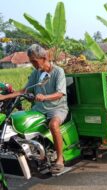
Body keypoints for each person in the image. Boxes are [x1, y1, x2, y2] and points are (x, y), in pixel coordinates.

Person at [0, 44, 68, 174]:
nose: (33, 64)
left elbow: (60, 93)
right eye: (31, 61)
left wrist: (45, 96)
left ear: (44, 57)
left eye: (34, 61)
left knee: (53, 124)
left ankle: (60, 159)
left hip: (57, 108)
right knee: (19, 122)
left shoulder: (58, 71)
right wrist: (4, 97)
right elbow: (25, 90)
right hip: (38, 108)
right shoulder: (36, 73)